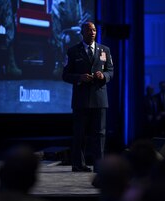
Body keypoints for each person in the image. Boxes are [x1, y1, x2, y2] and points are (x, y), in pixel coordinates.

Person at [62, 21, 114, 172]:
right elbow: (65, 75)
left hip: (99, 98)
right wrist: (79, 77)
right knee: (79, 134)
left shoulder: (105, 50)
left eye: (94, 30)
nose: (92, 32)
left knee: (100, 134)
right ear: (82, 33)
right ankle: (78, 164)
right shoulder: (72, 51)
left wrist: (103, 75)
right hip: (81, 99)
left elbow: (111, 71)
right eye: (89, 30)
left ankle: (100, 165)